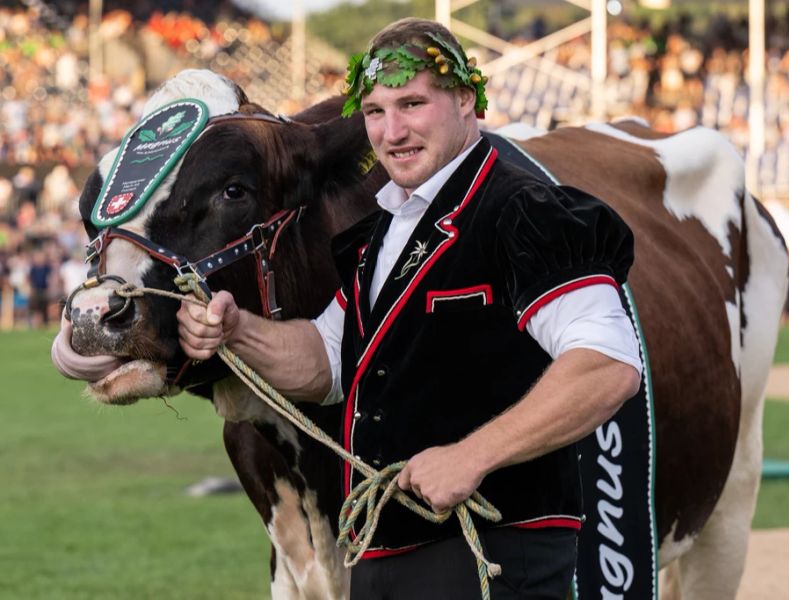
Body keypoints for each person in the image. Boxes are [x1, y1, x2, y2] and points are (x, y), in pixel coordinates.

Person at [59, 18, 643, 599]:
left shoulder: (525, 210)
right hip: (379, 557)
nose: (393, 130)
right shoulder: (380, 237)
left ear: (467, 100)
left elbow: (607, 363)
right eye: (376, 113)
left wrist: (473, 456)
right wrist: (237, 330)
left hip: (493, 556)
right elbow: (324, 362)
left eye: (413, 104)